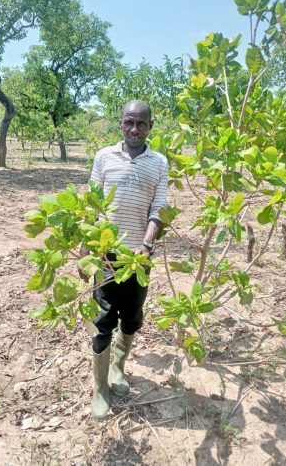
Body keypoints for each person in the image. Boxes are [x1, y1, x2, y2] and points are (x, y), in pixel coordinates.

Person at [80, 99, 168, 419]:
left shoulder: (159, 162)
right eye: (129, 122)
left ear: (150, 127)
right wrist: (87, 251)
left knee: (132, 316)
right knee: (103, 319)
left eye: (141, 123)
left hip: (139, 257)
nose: (134, 129)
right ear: (121, 124)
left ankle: (118, 366)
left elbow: (158, 210)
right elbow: (92, 205)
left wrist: (146, 244)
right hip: (107, 253)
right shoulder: (104, 156)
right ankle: (100, 388)